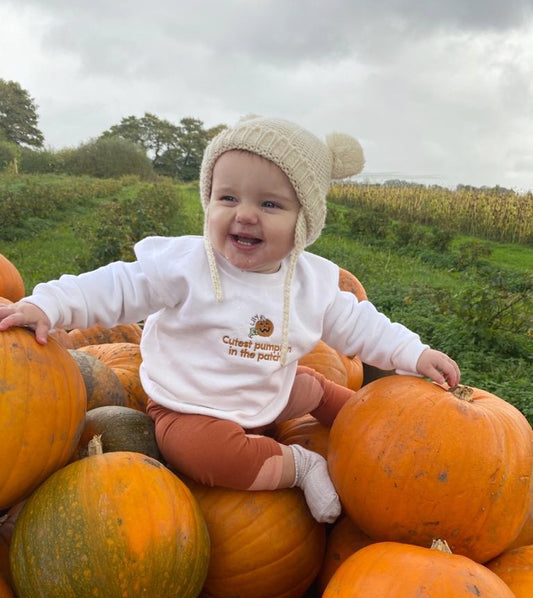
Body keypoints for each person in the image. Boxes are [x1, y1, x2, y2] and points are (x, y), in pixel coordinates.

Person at [0, 115, 460, 524]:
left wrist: (413, 353)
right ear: (208, 201)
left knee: (321, 391)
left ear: (305, 222)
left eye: (270, 205)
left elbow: (362, 326)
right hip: (188, 408)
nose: (244, 214)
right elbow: (117, 286)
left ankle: (372, 430)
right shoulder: (187, 266)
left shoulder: (312, 283)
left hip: (270, 392)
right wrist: (50, 304)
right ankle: (300, 465)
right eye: (228, 197)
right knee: (201, 455)